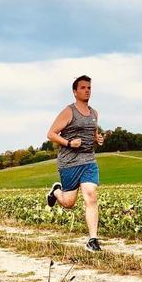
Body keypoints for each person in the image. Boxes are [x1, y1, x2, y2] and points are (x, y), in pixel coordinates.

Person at [45, 75, 105, 252]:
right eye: (83, 88)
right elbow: (51, 134)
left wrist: (97, 138)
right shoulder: (69, 111)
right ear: (75, 91)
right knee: (69, 203)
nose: (87, 90)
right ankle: (56, 191)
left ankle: (92, 240)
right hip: (69, 162)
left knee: (91, 195)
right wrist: (69, 143)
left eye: (89, 88)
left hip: (88, 160)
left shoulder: (94, 113)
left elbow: (92, 133)